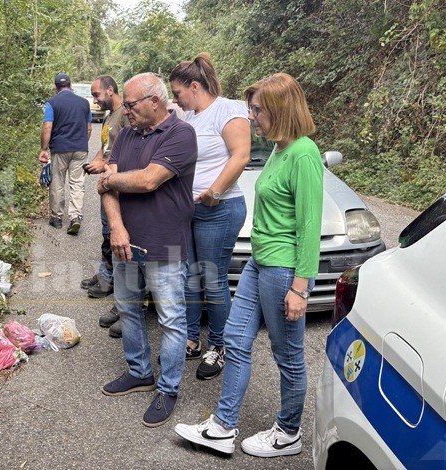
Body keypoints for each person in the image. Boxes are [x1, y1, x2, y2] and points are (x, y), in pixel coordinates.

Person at [173, 72, 324, 457]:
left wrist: (300, 288)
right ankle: (222, 427)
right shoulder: (279, 148)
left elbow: (309, 227)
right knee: (237, 343)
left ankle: (289, 432)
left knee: (288, 355)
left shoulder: (304, 153)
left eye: (257, 110)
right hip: (260, 263)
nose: (252, 117)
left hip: (283, 270)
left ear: (280, 110)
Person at [98, 72, 198, 427]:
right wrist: (118, 228)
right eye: (123, 104)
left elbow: (148, 179)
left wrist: (112, 177)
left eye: (130, 104)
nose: (125, 111)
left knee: (172, 320)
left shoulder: (180, 134)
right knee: (128, 308)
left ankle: (168, 388)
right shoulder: (126, 134)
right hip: (126, 242)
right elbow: (105, 187)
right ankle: (140, 371)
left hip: (165, 244)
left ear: (155, 102)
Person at [168, 54, 250, 380]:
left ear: (194, 86)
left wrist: (214, 192)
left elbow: (241, 155)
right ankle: (191, 339)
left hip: (219, 210)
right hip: (187, 210)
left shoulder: (228, 110)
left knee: (213, 281)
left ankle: (219, 346)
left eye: (177, 93)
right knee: (188, 276)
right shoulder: (189, 117)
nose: (175, 99)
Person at [79, 76, 130, 325]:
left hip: (119, 187)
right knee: (107, 237)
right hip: (107, 185)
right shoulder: (110, 115)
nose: (95, 100)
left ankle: (124, 301)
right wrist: (95, 161)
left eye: (97, 94)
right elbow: (106, 148)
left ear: (111, 90)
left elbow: (125, 155)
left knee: (117, 240)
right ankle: (105, 277)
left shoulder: (125, 116)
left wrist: (105, 164)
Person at [39, 73, 92, 235]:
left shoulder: (52, 103)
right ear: (70, 85)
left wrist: (43, 149)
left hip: (60, 149)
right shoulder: (84, 103)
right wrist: (82, 142)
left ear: (56, 88)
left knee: (57, 182)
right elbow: (89, 128)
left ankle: (56, 218)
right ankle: (75, 217)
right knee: (77, 184)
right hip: (80, 148)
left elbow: (48, 127)